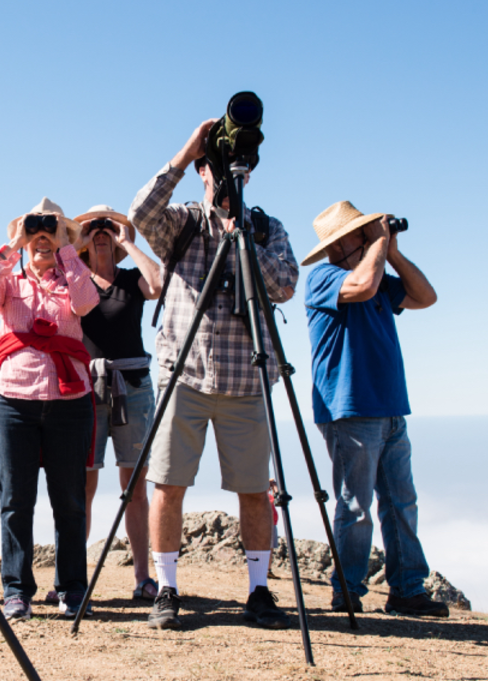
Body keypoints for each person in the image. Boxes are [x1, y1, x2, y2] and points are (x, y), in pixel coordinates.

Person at [128, 118, 299, 630]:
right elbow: (140, 213)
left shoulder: (266, 229)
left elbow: (285, 285)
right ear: (204, 170)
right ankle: (168, 590)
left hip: (247, 380)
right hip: (186, 374)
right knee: (168, 484)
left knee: (253, 490)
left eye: (236, 172)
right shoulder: (181, 222)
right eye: (216, 168)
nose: (227, 178)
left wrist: (239, 233)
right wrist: (187, 153)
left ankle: (259, 591)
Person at [301, 200, 447, 617]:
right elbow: (361, 286)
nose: (369, 236)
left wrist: (392, 251)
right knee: (356, 506)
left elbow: (426, 296)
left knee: (401, 501)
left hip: (388, 408)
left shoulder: (380, 277)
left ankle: (406, 589)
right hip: (350, 410)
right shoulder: (324, 277)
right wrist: (380, 244)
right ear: (342, 241)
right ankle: (347, 591)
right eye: (361, 232)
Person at [0, 197, 99, 621]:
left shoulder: (73, 276)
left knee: (70, 501)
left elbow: (86, 303)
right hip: (14, 400)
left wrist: (65, 247)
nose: (43, 236)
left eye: (53, 228)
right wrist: (13, 245)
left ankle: (73, 590)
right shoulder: (11, 279)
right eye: (36, 231)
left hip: (69, 401)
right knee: (15, 500)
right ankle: (16, 592)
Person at [72, 205, 163, 602]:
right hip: (87, 388)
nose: (100, 232)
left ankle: (143, 576)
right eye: (92, 228)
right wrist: (76, 242)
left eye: (107, 226)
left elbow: (158, 284)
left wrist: (129, 240)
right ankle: (75, 578)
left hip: (134, 387)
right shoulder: (74, 280)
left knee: (136, 488)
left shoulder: (130, 279)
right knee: (84, 485)